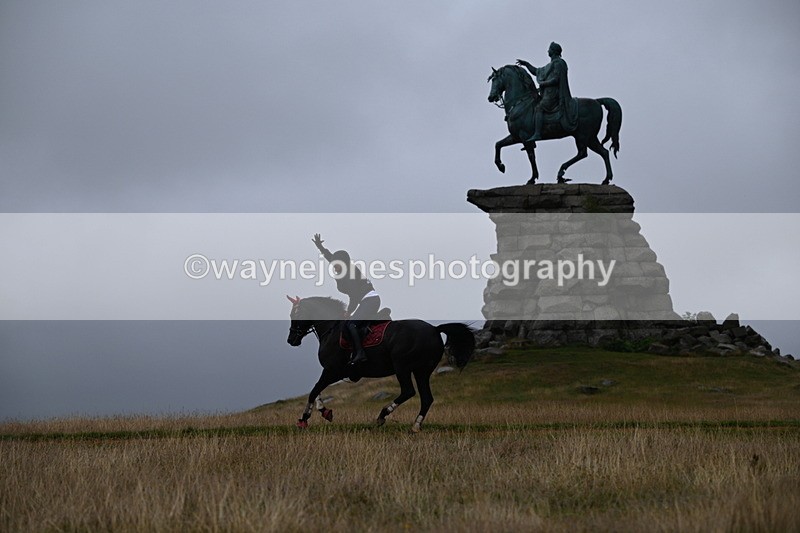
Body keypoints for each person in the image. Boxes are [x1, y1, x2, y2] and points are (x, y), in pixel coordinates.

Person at [312, 233, 380, 365]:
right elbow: (330, 257)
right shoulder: (343, 268)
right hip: (366, 301)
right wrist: (320, 246)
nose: (333, 267)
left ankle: (360, 353)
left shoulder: (350, 273)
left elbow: (354, 296)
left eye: (336, 265)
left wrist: (348, 311)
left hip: (369, 300)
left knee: (351, 324)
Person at [516, 41, 579, 142]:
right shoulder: (550, 65)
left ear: (553, 51)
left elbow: (556, 79)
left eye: (549, 49)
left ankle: (537, 133)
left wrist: (544, 83)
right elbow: (537, 71)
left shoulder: (559, 63)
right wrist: (526, 64)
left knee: (539, 108)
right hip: (547, 93)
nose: (547, 51)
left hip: (554, 94)